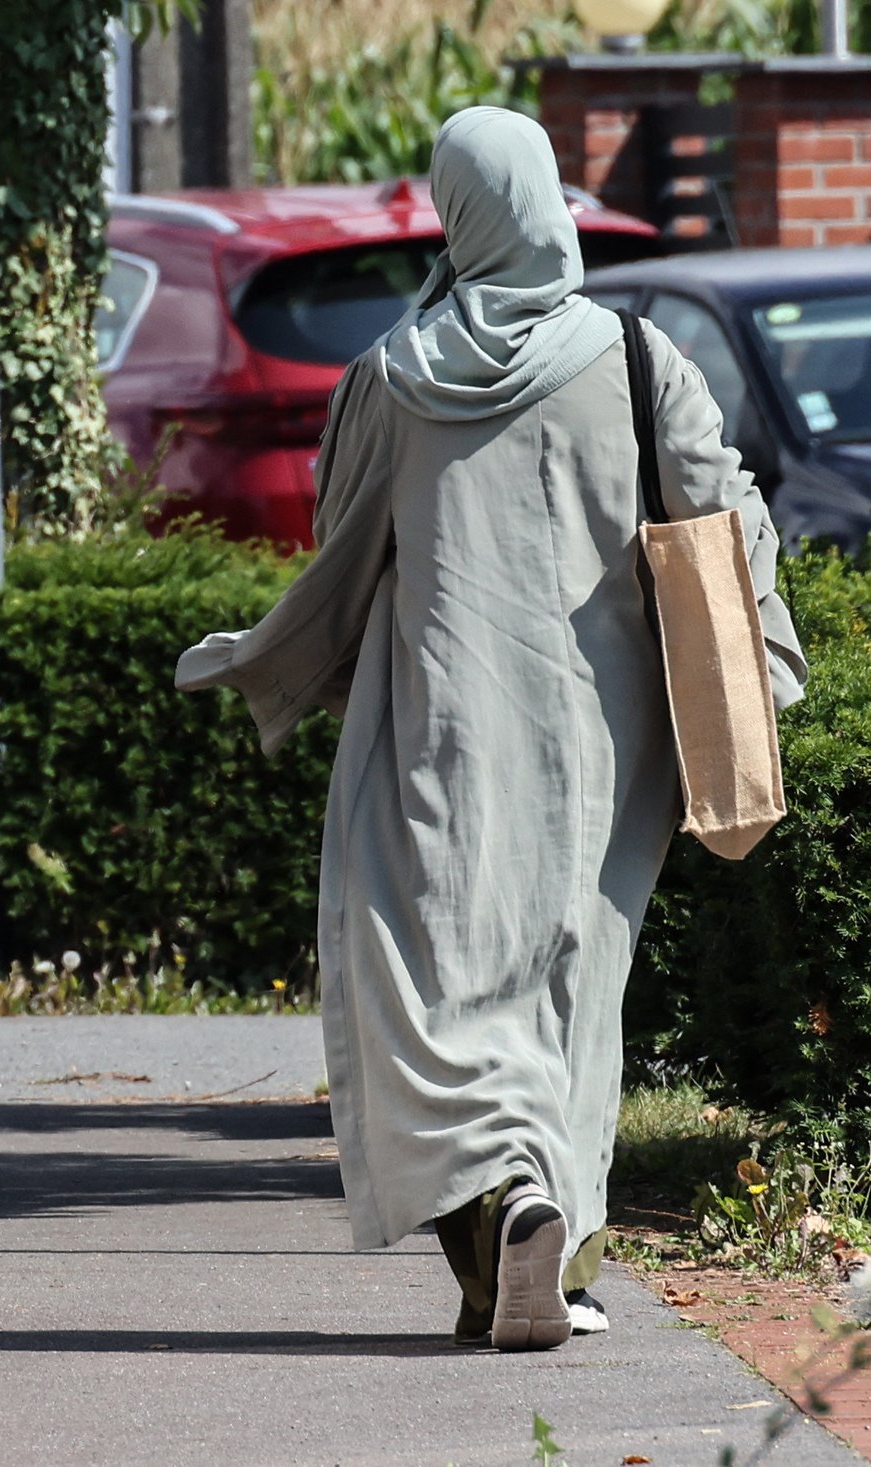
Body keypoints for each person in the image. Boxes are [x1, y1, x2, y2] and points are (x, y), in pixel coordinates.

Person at [174, 107, 806, 1351]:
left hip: (440, 731)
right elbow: (727, 516)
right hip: (607, 748)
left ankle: (499, 1227)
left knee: (435, 988)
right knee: (572, 985)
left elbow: (339, 539)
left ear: (460, 215)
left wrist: (273, 656)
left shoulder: (394, 376)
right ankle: (552, 1245)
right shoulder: (636, 358)